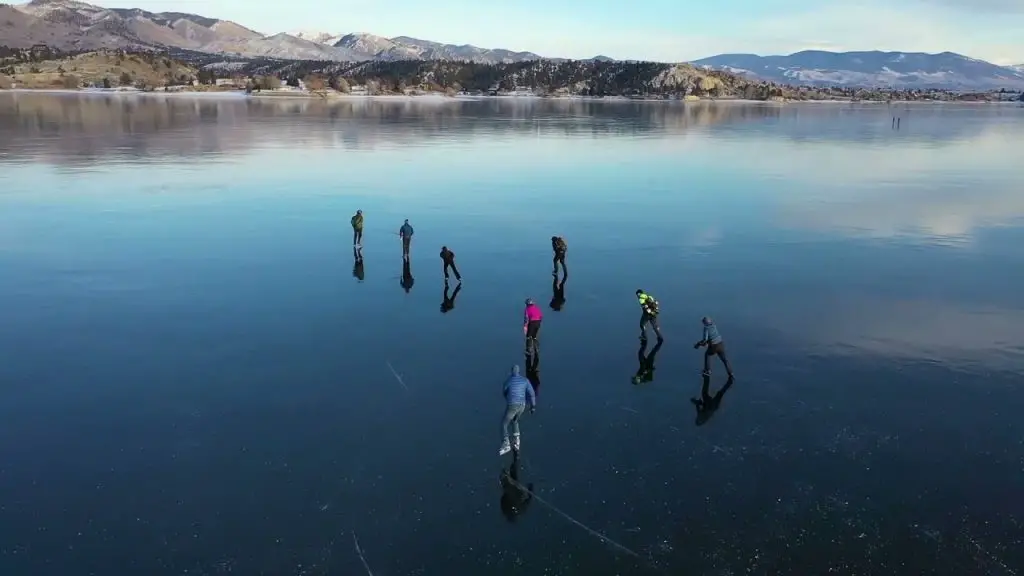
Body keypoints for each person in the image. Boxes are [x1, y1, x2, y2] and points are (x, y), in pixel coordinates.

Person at [500, 364, 536, 456]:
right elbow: (532, 393)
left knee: (504, 424)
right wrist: (533, 406)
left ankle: (506, 443)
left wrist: (508, 399)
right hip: (522, 406)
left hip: (512, 405)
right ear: (519, 372)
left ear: (512, 372)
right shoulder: (525, 381)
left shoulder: (508, 381)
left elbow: (504, 391)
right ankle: (517, 441)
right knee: (515, 421)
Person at [499, 454, 534, 522]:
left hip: (513, 491)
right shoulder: (519, 510)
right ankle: (515, 456)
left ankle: (514, 457)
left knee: (512, 474)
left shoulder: (515, 510)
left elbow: (503, 499)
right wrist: (530, 491)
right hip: (515, 491)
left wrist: (530, 492)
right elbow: (526, 502)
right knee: (513, 472)